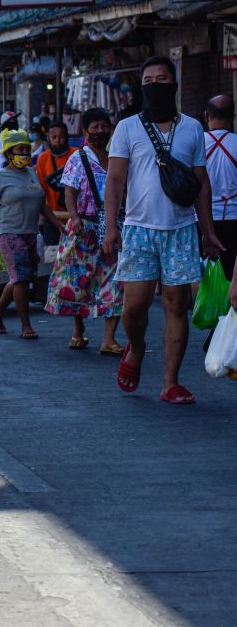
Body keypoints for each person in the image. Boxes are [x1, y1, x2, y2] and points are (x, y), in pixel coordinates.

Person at [104, 56, 225, 405]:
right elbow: (114, 181)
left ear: (174, 83)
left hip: (181, 229)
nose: (156, 84)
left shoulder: (192, 129)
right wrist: (111, 227)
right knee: (135, 307)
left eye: (162, 78)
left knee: (176, 304)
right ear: (141, 86)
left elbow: (201, 183)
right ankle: (137, 347)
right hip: (139, 230)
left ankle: (170, 382)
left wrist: (208, 231)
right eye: (149, 79)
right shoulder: (127, 128)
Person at [0, 129, 64, 339]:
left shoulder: (31, 173)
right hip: (9, 233)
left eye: (27, 149)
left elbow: (42, 205)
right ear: (9, 152)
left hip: (30, 232)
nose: (25, 154)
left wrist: (59, 225)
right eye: (20, 150)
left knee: (20, 276)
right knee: (20, 279)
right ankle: (26, 326)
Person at [45, 108, 124, 352]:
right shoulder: (78, 158)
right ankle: (78, 331)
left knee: (116, 280)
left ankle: (109, 339)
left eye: (104, 125)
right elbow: (69, 191)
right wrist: (75, 217)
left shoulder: (117, 157)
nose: (100, 131)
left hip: (112, 226)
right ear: (85, 131)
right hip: (83, 227)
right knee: (78, 281)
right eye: (95, 126)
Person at [203, 95, 237, 279]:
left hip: (200, 220)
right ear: (233, 116)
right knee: (232, 275)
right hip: (233, 219)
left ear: (206, 115)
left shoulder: (195, 144)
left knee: (204, 274)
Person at [34, 121, 77, 248]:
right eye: (54, 137)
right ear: (48, 138)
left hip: (75, 216)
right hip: (51, 216)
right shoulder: (43, 158)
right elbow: (41, 189)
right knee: (51, 254)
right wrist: (41, 216)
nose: (58, 140)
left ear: (67, 137)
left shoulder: (76, 154)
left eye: (61, 136)